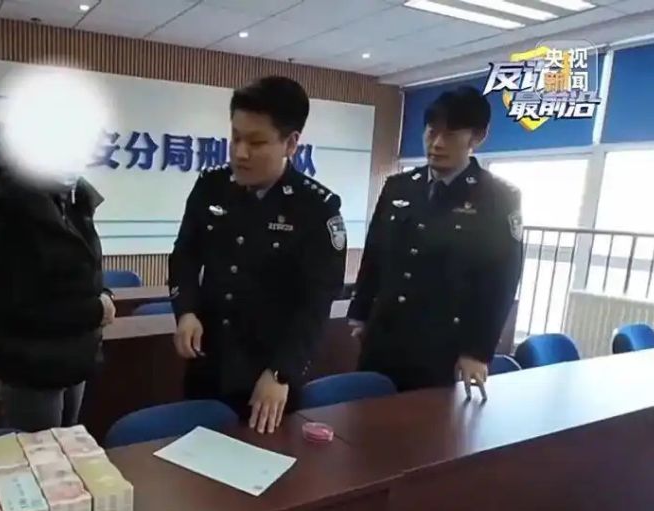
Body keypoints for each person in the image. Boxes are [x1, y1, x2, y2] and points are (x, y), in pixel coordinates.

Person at [169, 76, 347, 434]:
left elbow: (316, 304)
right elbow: (184, 255)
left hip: (269, 376)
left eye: (256, 142)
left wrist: (281, 372)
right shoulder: (211, 187)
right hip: (208, 363)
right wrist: (186, 311)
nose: (240, 153)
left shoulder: (316, 208)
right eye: (235, 137)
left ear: (290, 143)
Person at [348, 86, 523, 396]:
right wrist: (360, 313)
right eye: (431, 132)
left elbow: (502, 280)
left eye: (450, 135)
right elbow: (374, 253)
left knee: (430, 424)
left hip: (443, 346)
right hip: (384, 336)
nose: (437, 144)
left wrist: (478, 351)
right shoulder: (399, 187)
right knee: (367, 416)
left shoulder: (498, 198)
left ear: (477, 137)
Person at [0, 140, 116, 432]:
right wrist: (95, 310)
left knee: (68, 448)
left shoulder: (70, 199)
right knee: (39, 454)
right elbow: (7, 307)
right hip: (31, 366)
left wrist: (102, 296)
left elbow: (81, 273)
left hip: (75, 355)